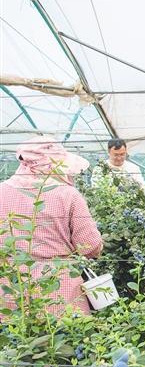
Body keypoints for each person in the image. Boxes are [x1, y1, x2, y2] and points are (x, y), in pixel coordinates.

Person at [0, 135, 103, 316]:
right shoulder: (68, 195)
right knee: (62, 332)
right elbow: (90, 246)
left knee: (14, 332)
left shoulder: (2, 192)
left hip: (10, 287)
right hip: (58, 288)